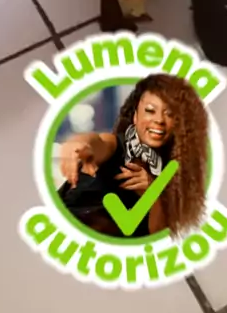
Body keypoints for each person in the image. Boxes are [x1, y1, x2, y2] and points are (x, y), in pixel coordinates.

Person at [58, 73, 209, 238]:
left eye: (169, 114)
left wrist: (152, 193)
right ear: (136, 116)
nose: (159, 120)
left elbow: (158, 236)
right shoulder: (116, 145)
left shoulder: (174, 175)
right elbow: (97, 142)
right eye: (150, 111)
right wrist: (77, 144)